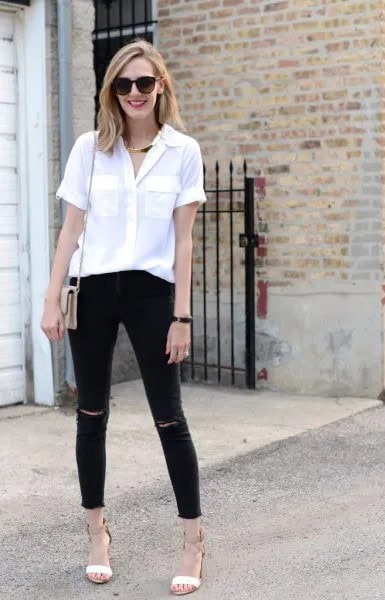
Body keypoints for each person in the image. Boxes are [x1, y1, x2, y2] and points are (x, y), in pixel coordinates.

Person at [40, 39, 206, 596]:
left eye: (144, 83)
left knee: (168, 418)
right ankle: (96, 534)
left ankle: (192, 542)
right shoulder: (90, 148)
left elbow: (183, 241)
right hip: (93, 290)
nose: (134, 93)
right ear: (111, 91)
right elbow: (71, 228)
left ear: (161, 85)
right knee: (91, 415)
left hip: (153, 293)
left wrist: (181, 315)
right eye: (122, 84)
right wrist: (50, 295)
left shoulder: (182, 151)